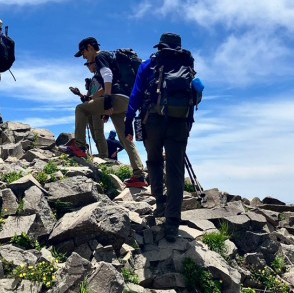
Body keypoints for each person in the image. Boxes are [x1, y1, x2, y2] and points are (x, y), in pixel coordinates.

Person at [124, 33, 200, 242]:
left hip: (152, 121)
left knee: (154, 161)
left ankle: (159, 203)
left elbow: (136, 94)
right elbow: (193, 98)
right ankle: (173, 223)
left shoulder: (149, 64)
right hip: (179, 123)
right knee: (175, 171)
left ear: (160, 47)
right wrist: (187, 125)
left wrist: (128, 121)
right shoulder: (188, 66)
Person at [64, 36, 148, 188]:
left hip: (116, 97)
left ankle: (80, 146)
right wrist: (92, 99)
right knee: (125, 138)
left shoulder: (100, 55)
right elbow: (103, 87)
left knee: (81, 109)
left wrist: (108, 98)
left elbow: (107, 75)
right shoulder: (112, 57)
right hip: (127, 100)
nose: (83, 56)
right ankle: (139, 175)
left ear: (89, 47)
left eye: (83, 53)